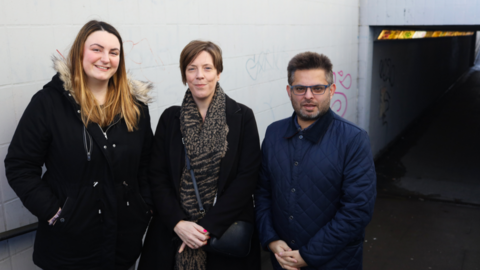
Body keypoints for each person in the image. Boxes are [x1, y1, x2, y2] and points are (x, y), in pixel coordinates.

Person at [4, 20, 153, 270]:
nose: (106, 58)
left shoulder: (135, 107)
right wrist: (55, 213)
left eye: (114, 52)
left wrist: (143, 208)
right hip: (69, 244)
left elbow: (147, 164)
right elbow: (19, 166)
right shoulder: (49, 103)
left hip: (122, 242)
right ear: (80, 53)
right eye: (97, 49)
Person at [138, 40, 261, 270]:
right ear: (184, 75)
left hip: (223, 234)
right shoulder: (170, 119)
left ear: (219, 73)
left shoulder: (242, 116)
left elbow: (247, 178)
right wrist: (178, 223)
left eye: (207, 68)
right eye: (191, 68)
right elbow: (157, 175)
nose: (199, 75)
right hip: (172, 234)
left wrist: (206, 228)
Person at [255, 52, 376, 270]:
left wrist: (308, 255)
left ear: (331, 90)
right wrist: (271, 239)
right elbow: (263, 193)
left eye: (317, 88)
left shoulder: (353, 139)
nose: (308, 95)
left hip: (336, 263)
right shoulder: (274, 134)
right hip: (282, 260)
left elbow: (357, 210)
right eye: (300, 88)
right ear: (289, 91)